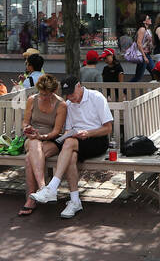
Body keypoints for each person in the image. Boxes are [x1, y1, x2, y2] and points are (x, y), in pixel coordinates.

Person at [29, 76, 113, 219]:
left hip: (96, 139)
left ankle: (51, 188)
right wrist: (67, 136)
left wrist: (88, 133)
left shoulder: (96, 97)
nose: (70, 97)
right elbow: (68, 130)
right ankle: (75, 201)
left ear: (79, 86)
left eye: (72, 93)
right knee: (69, 155)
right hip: (76, 141)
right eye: (67, 94)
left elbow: (108, 128)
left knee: (69, 144)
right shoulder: (69, 103)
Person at [18, 73, 68, 216]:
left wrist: (42, 136)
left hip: (51, 139)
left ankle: (31, 199)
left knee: (29, 158)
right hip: (32, 138)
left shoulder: (61, 105)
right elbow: (26, 121)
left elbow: (56, 131)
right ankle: (44, 189)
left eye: (46, 94)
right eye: (41, 93)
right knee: (34, 143)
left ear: (54, 92)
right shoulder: (32, 100)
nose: (43, 97)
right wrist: (27, 128)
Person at [132, 13, 153, 82]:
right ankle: (124, 90)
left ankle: (154, 90)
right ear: (144, 21)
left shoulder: (147, 30)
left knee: (155, 73)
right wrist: (144, 56)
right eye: (148, 18)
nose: (150, 19)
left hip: (147, 55)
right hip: (143, 55)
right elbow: (139, 43)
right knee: (138, 77)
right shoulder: (142, 29)